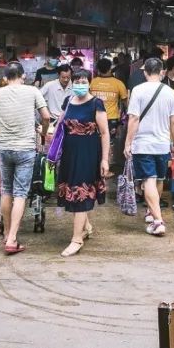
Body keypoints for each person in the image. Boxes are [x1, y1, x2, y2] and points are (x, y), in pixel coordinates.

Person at [0, 63, 49, 255]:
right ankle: (12, 239)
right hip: (25, 149)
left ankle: (6, 235)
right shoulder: (32, 91)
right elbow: (46, 117)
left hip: (5, 149)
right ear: (23, 75)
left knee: (6, 190)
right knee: (20, 193)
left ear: (5, 77)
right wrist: (43, 133)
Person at [54, 70, 110, 257]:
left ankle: (76, 239)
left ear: (89, 82)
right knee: (72, 189)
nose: (80, 84)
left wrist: (104, 159)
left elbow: (104, 133)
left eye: (83, 81)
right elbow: (60, 125)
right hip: (69, 153)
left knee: (80, 192)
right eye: (76, 81)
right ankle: (85, 227)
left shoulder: (96, 103)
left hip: (88, 153)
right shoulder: (68, 101)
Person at [124, 57, 174, 237]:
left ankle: (158, 221)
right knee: (159, 179)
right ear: (162, 71)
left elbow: (133, 119)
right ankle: (151, 212)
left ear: (145, 72)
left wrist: (128, 143)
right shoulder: (170, 92)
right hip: (163, 144)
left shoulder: (138, 90)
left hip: (143, 144)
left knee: (148, 180)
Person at [91, 58, 128, 135]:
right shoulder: (119, 83)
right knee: (110, 142)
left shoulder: (92, 82)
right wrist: (126, 117)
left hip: (94, 117)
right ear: (110, 68)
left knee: (97, 142)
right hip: (112, 119)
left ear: (98, 69)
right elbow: (125, 103)